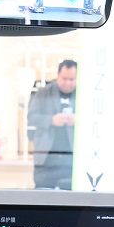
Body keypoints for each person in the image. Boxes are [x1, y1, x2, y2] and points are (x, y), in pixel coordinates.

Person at [27, 59, 78, 189]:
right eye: (64, 78)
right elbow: (31, 117)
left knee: (71, 197)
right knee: (43, 194)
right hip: (46, 158)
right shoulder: (44, 93)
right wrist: (51, 120)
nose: (68, 83)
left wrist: (78, 121)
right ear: (58, 75)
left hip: (72, 159)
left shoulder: (83, 96)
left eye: (72, 79)